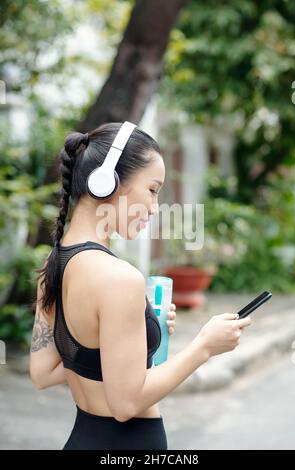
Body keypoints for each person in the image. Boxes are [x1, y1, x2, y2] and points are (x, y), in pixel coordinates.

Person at [29, 121, 251, 450]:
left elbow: (44, 372)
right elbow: (126, 405)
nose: (154, 207)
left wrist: (128, 345)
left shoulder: (54, 264)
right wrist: (204, 346)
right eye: (152, 190)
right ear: (108, 182)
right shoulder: (120, 278)